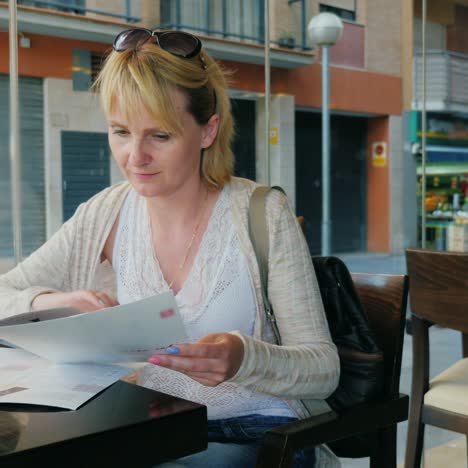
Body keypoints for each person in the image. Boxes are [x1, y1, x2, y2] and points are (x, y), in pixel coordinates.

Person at [0, 28, 340, 467]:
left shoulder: (262, 213)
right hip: (150, 430)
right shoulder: (106, 212)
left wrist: (243, 358)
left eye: (159, 136)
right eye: (120, 131)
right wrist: (56, 299)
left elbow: (323, 369)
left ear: (207, 130)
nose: (134, 157)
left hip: (260, 432)